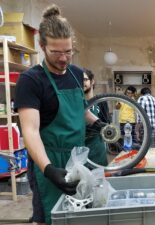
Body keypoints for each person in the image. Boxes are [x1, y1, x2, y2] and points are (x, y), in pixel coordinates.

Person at [14, 5, 99, 225]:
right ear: (42, 47)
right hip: (48, 158)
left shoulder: (77, 73)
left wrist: (98, 123)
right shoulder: (31, 81)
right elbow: (30, 131)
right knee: (49, 217)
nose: (63, 58)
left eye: (68, 51)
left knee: (78, 214)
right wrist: (48, 169)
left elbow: (81, 110)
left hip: (78, 158)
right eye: (56, 52)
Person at [83, 68, 108, 166]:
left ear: (92, 81)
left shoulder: (101, 102)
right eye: (80, 80)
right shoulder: (76, 103)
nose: (82, 83)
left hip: (98, 148)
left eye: (85, 80)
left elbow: (106, 124)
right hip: (81, 148)